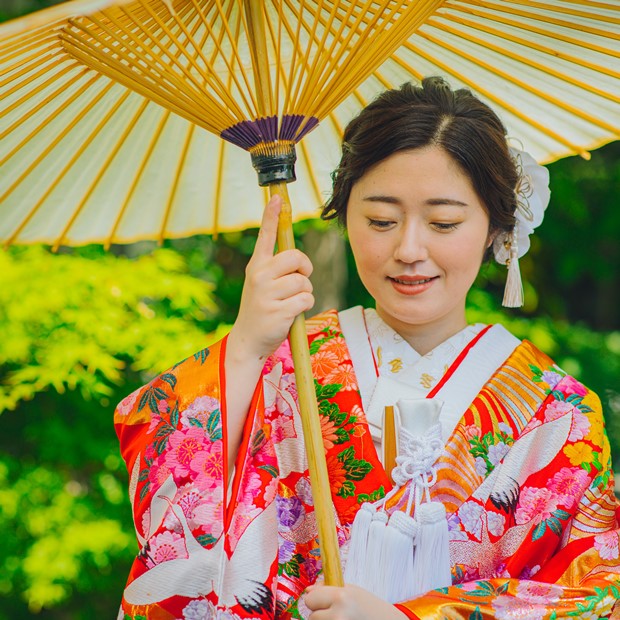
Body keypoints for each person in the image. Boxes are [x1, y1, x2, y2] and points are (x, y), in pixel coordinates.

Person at [114, 77, 620, 620]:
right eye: (380, 220)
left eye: (443, 222)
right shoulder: (288, 364)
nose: (408, 249)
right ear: (344, 213)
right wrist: (243, 348)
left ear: (498, 226)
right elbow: (171, 521)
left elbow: (593, 593)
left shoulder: (557, 414)